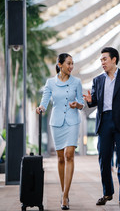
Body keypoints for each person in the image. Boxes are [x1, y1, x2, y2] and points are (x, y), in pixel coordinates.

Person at [83, 47, 120, 210]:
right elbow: (95, 101)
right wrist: (90, 100)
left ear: (114, 59)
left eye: (104, 59)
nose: (102, 62)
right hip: (104, 122)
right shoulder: (97, 80)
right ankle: (107, 193)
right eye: (101, 60)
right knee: (104, 160)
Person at [36, 53, 84, 210]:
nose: (71, 66)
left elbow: (82, 103)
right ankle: (65, 192)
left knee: (69, 155)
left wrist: (77, 104)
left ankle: (64, 196)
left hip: (72, 122)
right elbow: (44, 101)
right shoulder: (50, 82)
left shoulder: (77, 82)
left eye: (72, 63)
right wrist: (41, 107)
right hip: (57, 123)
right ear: (60, 64)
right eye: (68, 63)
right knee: (60, 159)